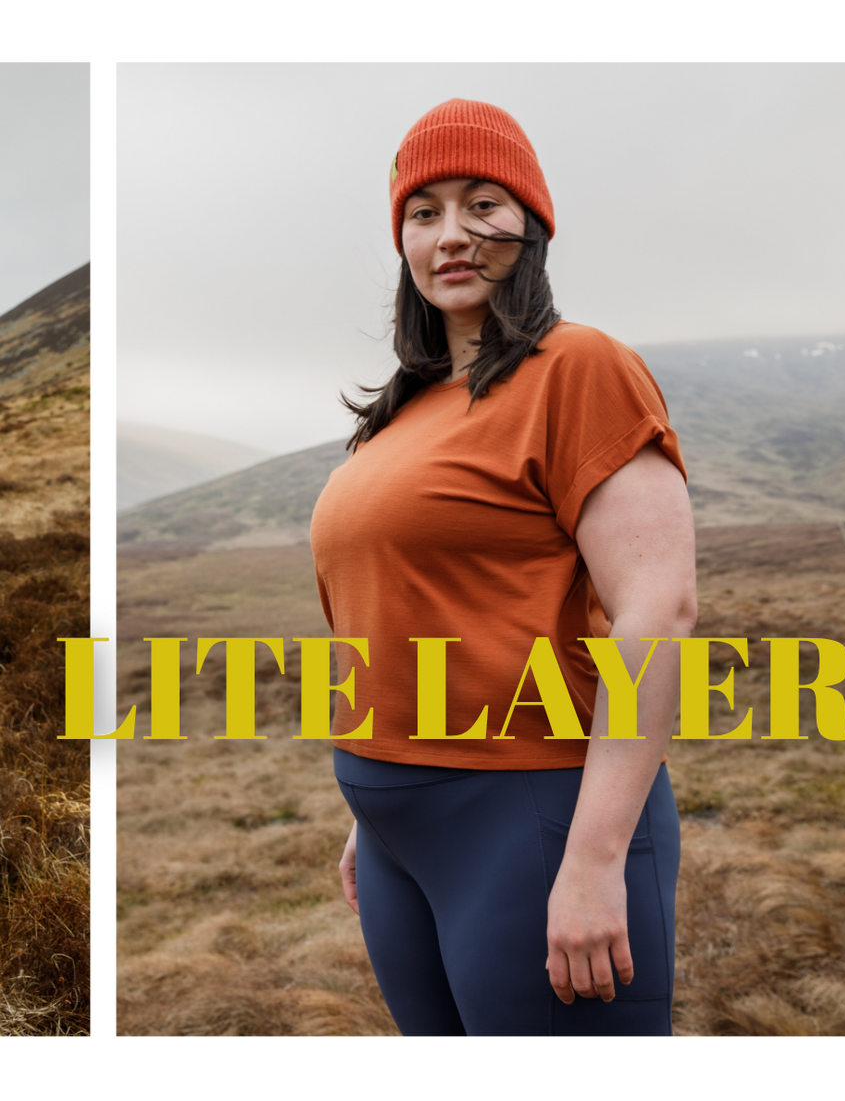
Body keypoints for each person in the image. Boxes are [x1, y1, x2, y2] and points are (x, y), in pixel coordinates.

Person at [310, 99, 697, 1039]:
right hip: (400, 824)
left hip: (535, 816)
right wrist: (379, 807)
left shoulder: (581, 369)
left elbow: (658, 608)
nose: (452, 235)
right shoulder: (399, 413)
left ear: (532, 223)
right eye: (424, 210)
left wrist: (597, 857)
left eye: (484, 204)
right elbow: (399, 610)